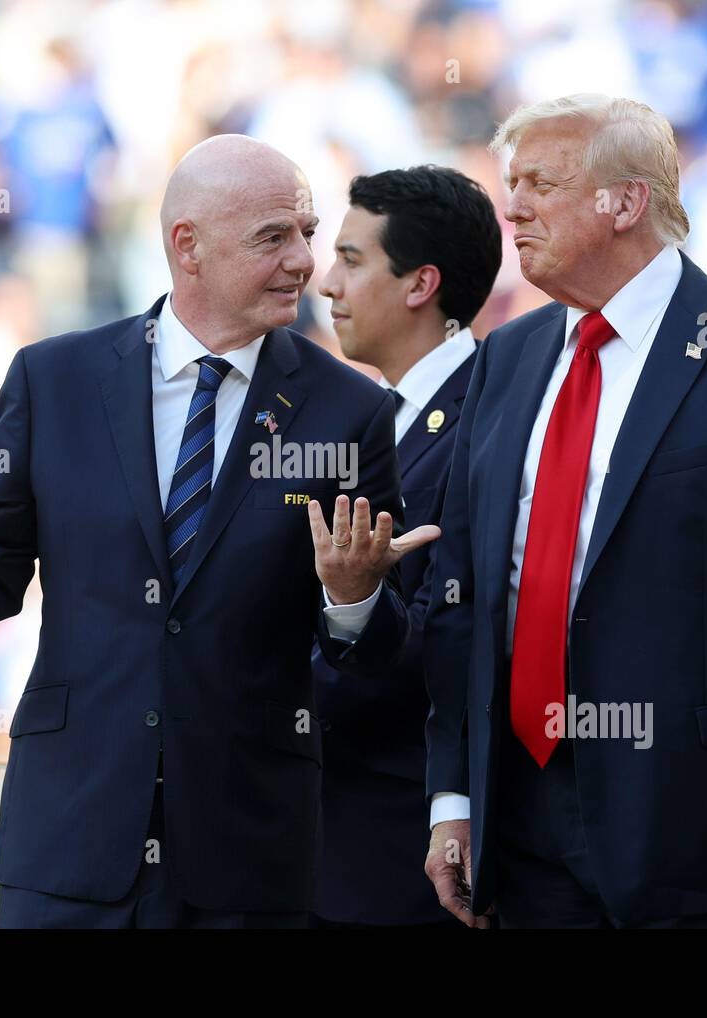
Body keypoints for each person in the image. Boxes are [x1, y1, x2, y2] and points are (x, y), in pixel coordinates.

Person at [0, 134, 438, 929]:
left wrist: (352, 600)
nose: (306, 261)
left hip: (247, 861)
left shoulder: (354, 413)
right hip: (68, 845)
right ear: (188, 246)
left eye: (307, 233)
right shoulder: (53, 379)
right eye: (274, 236)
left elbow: (390, 655)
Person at [422, 95, 707, 929]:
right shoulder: (507, 357)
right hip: (519, 819)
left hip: (695, 827)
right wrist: (454, 795)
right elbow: (464, 593)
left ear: (625, 202)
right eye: (510, 182)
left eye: (539, 183)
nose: (511, 205)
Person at [311, 166, 501, 928]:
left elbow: (460, 639)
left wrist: (354, 606)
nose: (327, 284)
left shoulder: (490, 419)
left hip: (410, 854)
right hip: (332, 841)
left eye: (353, 260)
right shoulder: (358, 417)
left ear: (422, 284)